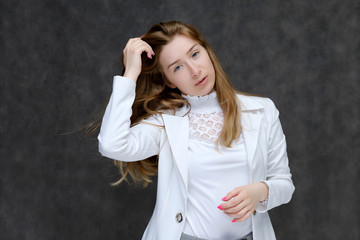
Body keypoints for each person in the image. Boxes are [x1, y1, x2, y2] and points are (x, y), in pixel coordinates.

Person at [98, 20, 294, 240]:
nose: (194, 70)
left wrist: (259, 192)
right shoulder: (165, 123)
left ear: (207, 51)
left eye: (194, 54)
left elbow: (284, 184)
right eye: (177, 67)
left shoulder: (262, 111)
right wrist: (131, 73)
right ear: (169, 81)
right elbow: (111, 144)